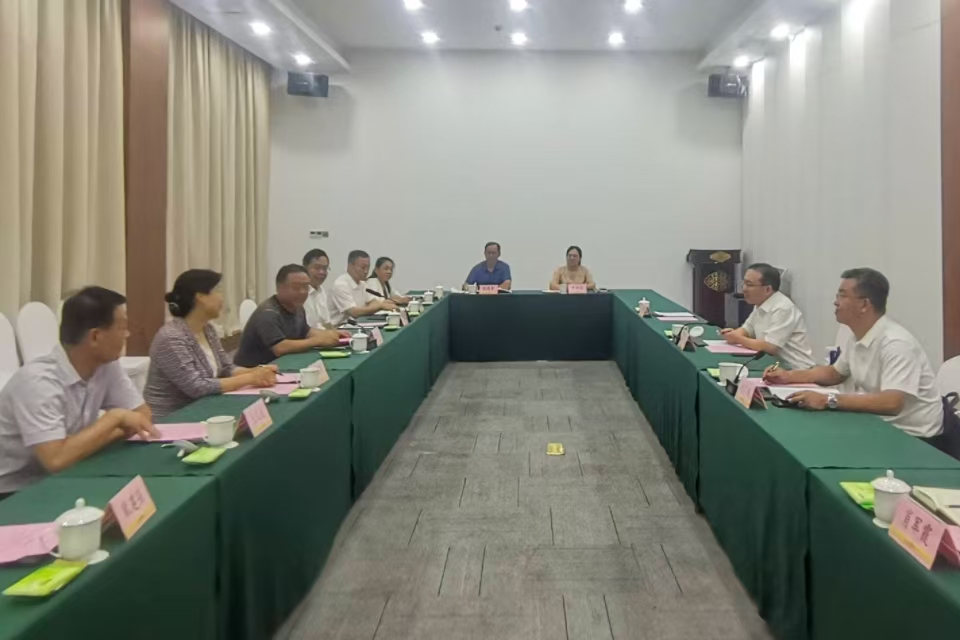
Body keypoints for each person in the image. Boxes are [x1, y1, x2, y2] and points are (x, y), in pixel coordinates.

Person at [764, 268, 955, 453]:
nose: (835, 302)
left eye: (842, 296)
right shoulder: (855, 334)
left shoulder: (896, 344)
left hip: (915, 439)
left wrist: (828, 400)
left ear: (864, 304)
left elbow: (892, 403)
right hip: (878, 424)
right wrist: (788, 376)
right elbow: (834, 373)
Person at [0, 287, 158, 496]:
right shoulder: (38, 382)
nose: (127, 335)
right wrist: (114, 419)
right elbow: (56, 460)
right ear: (95, 337)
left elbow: (142, 416)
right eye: (122, 328)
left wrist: (83, 444)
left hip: (68, 473)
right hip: (13, 491)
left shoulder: (106, 365)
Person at [144, 270, 278, 418]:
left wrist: (257, 371)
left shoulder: (208, 329)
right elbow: (197, 387)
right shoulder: (171, 338)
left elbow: (226, 369)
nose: (222, 299)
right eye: (218, 291)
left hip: (204, 408)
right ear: (200, 297)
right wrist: (251, 378)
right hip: (173, 418)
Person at [235, 265, 344, 367]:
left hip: (281, 364)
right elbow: (280, 347)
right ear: (279, 288)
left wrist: (332, 334)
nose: (302, 292)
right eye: (296, 287)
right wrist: (317, 341)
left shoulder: (297, 307)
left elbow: (306, 331)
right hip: (254, 370)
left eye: (306, 287)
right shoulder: (268, 313)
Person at [720, 263, 816, 370]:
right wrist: (732, 335)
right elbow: (747, 329)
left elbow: (770, 347)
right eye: (744, 283)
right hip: (774, 367)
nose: (744, 289)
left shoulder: (783, 308)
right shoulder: (760, 303)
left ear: (767, 290)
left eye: (749, 285)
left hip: (797, 370)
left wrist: (738, 339)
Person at [330, 250, 397, 327]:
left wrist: (374, 306)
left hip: (358, 324)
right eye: (363, 267)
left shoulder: (363, 284)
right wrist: (379, 306)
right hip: (339, 327)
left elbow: (374, 302)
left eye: (368, 267)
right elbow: (354, 312)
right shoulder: (340, 285)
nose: (366, 271)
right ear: (350, 266)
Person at [303, 249, 335, 329]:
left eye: (325, 268)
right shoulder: (301, 293)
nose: (322, 272)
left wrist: (336, 333)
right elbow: (308, 329)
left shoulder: (321, 291)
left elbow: (327, 323)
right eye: (317, 268)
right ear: (305, 268)